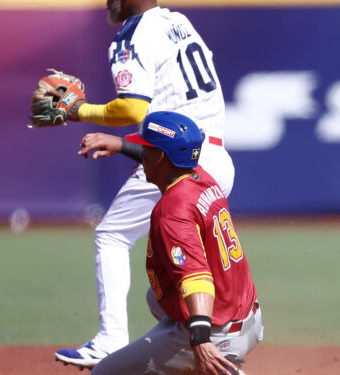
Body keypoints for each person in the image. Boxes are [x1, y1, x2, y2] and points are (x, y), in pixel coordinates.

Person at [49, 0, 235, 367]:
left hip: (177, 160)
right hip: (215, 158)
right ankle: (204, 347)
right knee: (169, 283)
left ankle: (111, 340)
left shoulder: (133, 33)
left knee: (112, 236)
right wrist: (122, 144)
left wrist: (78, 110)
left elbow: (133, 109)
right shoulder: (178, 22)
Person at [78, 111, 262, 375]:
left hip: (217, 331)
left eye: (145, 149)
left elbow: (197, 280)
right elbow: (162, 157)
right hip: (247, 316)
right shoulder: (201, 176)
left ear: (161, 157)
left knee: (102, 374)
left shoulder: (172, 211)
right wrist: (120, 145)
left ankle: (217, 364)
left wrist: (200, 339)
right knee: (155, 298)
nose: (141, 154)